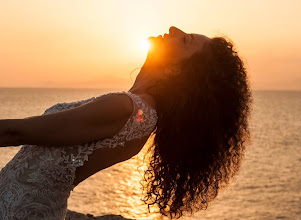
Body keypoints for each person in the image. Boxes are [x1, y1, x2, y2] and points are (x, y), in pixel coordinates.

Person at [0, 26, 252, 219]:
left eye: (185, 39)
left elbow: (16, 132)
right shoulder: (139, 112)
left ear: (176, 70)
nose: (174, 29)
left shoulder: (128, 109)